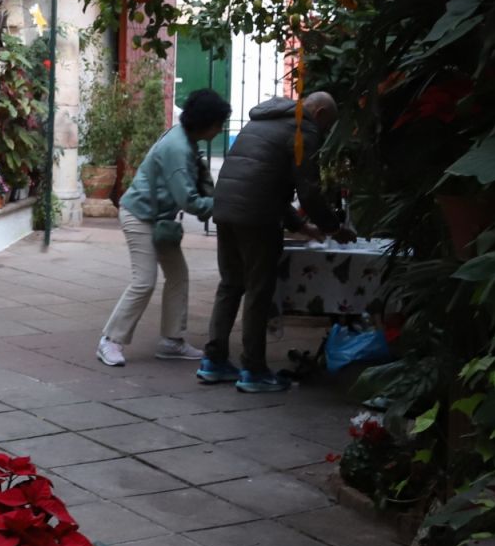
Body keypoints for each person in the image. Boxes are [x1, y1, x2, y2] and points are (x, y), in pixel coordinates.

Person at [201, 90, 354, 394]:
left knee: (230, 284)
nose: (323, 132)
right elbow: (308, 191)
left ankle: (213, 361)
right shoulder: (304, 129)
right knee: (258, 291)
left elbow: (263, 181)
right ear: (320, 112)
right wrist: (333, 228)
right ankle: (253, 369)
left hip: (226, 208)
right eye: (327, 126)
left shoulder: (261, 121)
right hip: (258, 219)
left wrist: (301, 226)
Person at [95, 89, 232, 367]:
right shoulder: (178, 149)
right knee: (144, 281)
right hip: (140, 216)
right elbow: (190, 202)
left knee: (178, 275)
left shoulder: (185, 138)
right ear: (206, 122)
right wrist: (225, 204)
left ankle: (172, 341)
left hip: (159, 219)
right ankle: (110, 340)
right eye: (219, 124)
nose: (220, 130)